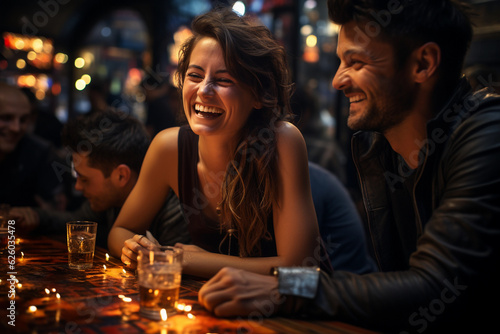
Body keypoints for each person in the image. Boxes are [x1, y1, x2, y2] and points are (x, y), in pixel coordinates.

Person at [197, 1, 500, 332]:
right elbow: (391, 286)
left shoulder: (487, 137)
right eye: (341, 61)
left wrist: (286, 288)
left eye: (356, 62)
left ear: (423, 64)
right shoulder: (379, 145)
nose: (338, 81)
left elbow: (433, 286)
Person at [108, 7, 330, 278]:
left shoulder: (282, 141)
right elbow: (119, 232)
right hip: (217, 306)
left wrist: (186, 260)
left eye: (223, 80)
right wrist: (135, 247)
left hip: (298, 311)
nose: (203, 90)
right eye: (195, 75)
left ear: (257, 95)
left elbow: (302, 271)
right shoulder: (168, 147)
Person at [11, 109, 189, 249]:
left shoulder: (175, 212)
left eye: (84, 179)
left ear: (121, 175)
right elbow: (76, 222)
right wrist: (34, 216)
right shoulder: (108, 199)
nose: (78, 187)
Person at [0, 82, 66, 209]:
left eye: (23, 120)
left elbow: (57, 208)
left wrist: (39, 216)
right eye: (6, 118)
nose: (16, 128)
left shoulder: (40, 153)